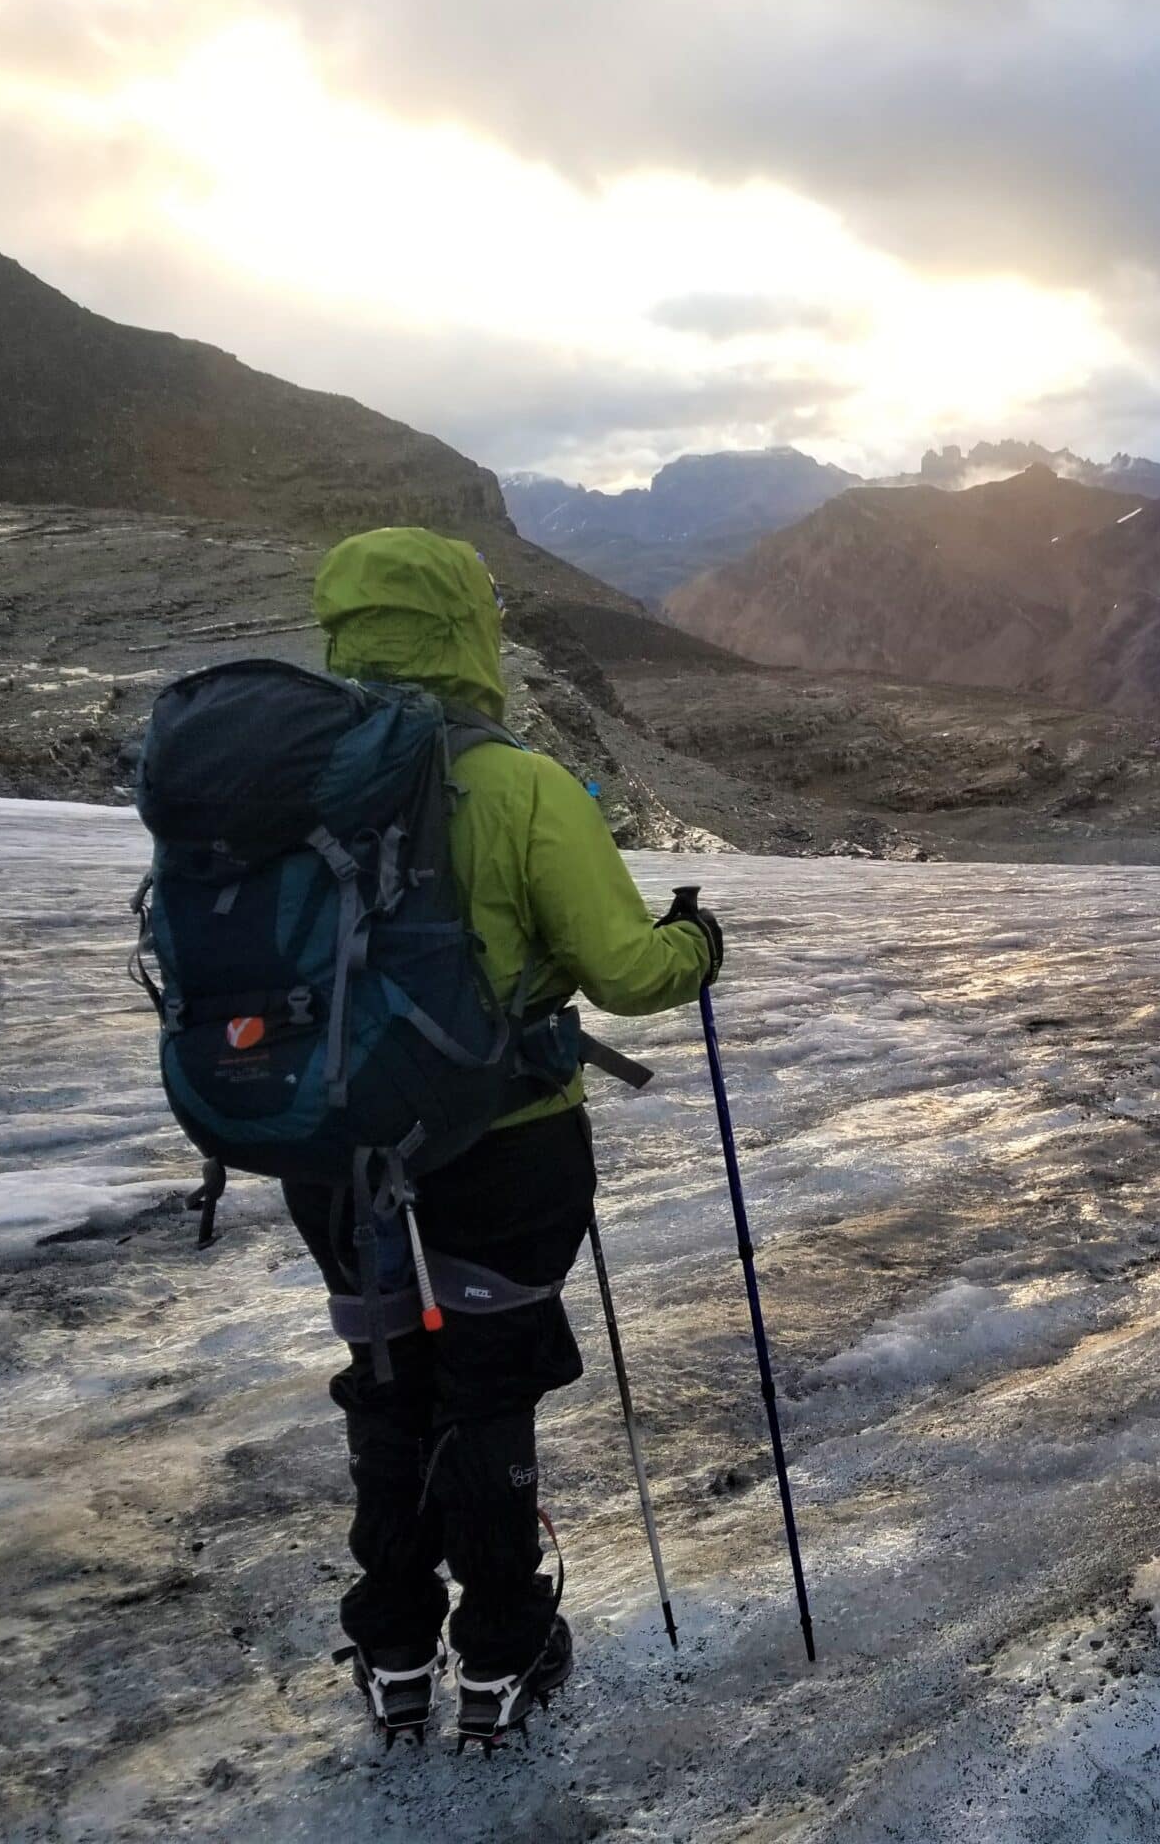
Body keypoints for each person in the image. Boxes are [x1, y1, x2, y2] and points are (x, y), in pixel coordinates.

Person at [285, 527, 721, 1745]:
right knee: (486, 1391)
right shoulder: (519, 783)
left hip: (334, 1160)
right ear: (469, 628)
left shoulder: (282, 780)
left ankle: (391, 1649)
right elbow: (628, 973)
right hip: (504, 1146)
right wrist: (700, 945)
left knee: (387, 1384)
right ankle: (500, 1653)